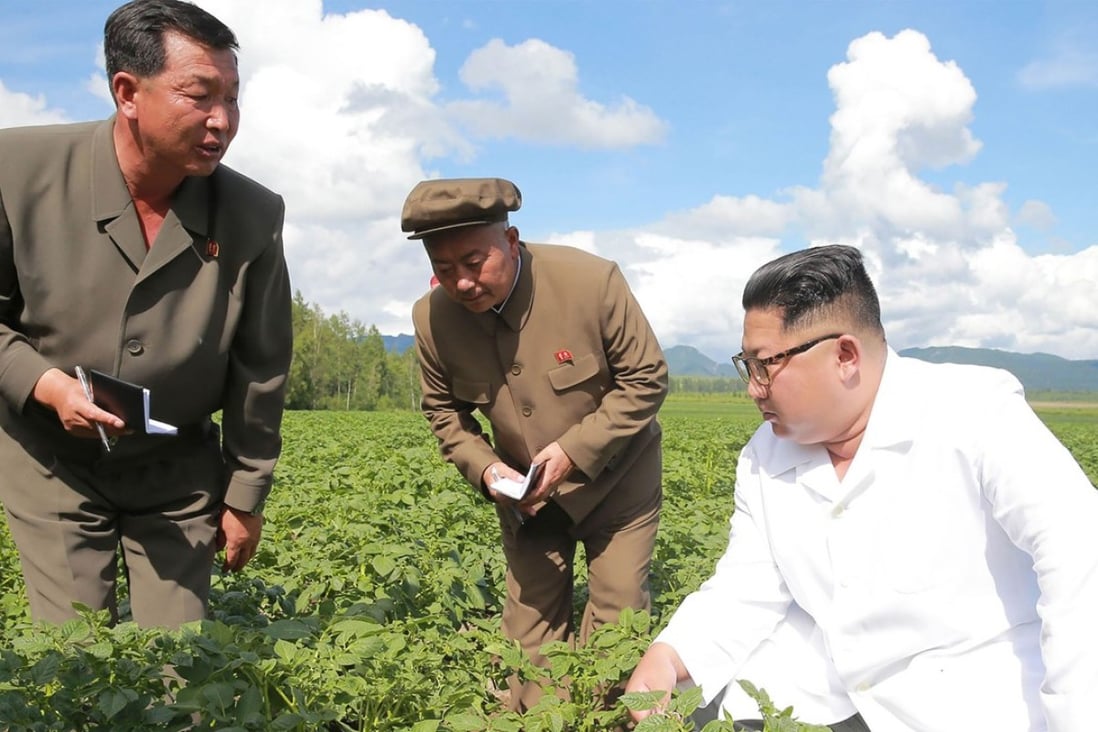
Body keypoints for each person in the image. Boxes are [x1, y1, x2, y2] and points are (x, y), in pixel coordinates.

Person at [626, 244, 1098, 731]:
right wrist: (669, 655)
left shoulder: (974, 412)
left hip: (971, 697)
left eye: (765, 364)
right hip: (819, 696)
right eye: (747, 365)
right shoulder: (764, 454)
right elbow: (749, 585)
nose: (754, 388)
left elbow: (1080, 560)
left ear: (845, 355)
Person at [0, 0, 292, 628]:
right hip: (52, 461)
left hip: (178, 469)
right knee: (72, 655)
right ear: (127, 92)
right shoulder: (15, 173)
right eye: (200, 96)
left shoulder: (251, 215)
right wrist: (45, 385)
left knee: (178, 666)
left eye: (234, 99)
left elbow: (261, 367)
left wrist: (245, 497)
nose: (223, 121)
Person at [405, 177, 667, 711]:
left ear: (511, 239)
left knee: (616, 626)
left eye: (474, 262)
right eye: (445, 269)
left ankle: (607, 722)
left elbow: (646, 378)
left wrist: (572, 451)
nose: (462, 283)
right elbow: (444, 413)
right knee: (526, 646)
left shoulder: (591, 282)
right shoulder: (432, 320)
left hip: (619, 484)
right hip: (526, 499)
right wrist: (487, 471)